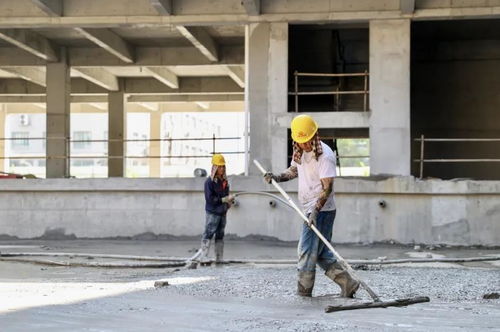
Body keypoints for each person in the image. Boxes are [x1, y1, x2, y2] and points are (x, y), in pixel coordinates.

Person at [263, 114, 359, 298]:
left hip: (322, 211)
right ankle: (349, 284)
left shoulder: (325, 156)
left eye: (307, 141)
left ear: (314, 136)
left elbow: (327, 188)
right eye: (301, 142)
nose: (305, 145)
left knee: (305, 250)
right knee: (321, 253)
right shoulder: (300, 151)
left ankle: (304, 292)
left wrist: (315, 211)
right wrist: (276, 177)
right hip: (308, 208)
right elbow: (293, 170)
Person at [190, 154, 234, 266]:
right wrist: (224, 199)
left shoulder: (224, 182)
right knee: (208, 233)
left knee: (220, 234)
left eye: (223, 166)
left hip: (223, 212)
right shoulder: (209, 182)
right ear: (214, 167)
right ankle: (203, 257)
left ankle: (219, 258)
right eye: (219, 166)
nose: (222, 169)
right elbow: (210, 199)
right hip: (213, 212)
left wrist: (229, 202)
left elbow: (226, 196)